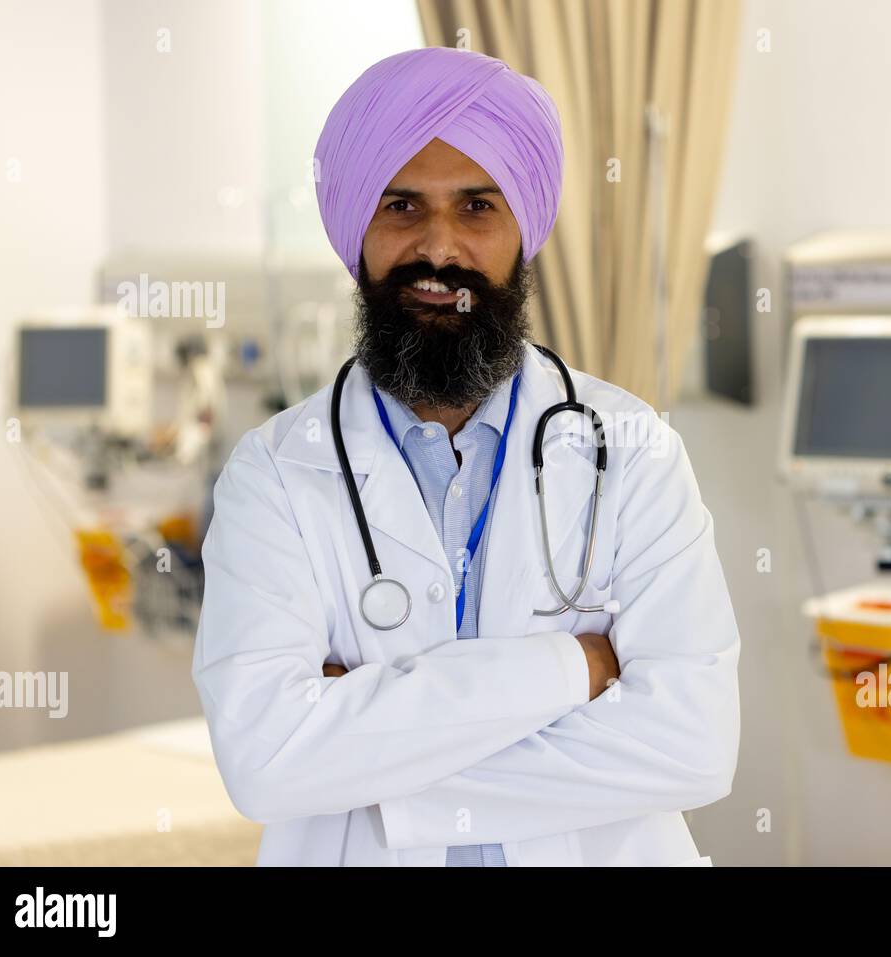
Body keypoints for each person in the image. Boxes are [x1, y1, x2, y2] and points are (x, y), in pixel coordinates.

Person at [192, 46, 740, 866]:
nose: (439, 247)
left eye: (478, 205)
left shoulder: (632, 452)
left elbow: (692, 742)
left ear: (525, 233)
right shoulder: (274, 474)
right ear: (357, 231)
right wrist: (572, 668)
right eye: (402, 204)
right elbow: (268, 762)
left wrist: (371, 763)